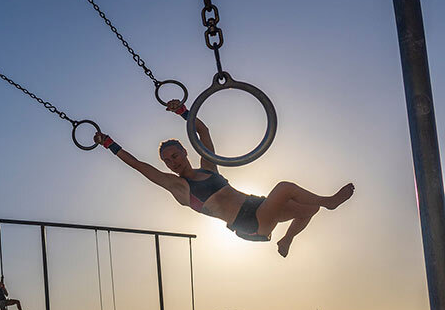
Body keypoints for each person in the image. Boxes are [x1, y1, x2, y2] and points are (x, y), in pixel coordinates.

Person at [93, 100, 354, 257]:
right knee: (286, 187)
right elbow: (138, 165)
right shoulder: (179, 187)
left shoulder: (208, 169)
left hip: (258, 205)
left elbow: (203, 131)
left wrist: (184, 111)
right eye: (167, 161)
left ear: (185, 151)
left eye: (175, 155)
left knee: (309, 209)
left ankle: (287, 239)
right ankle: (329, 201)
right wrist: (108, 143)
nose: (173, 162)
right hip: (249, 222)